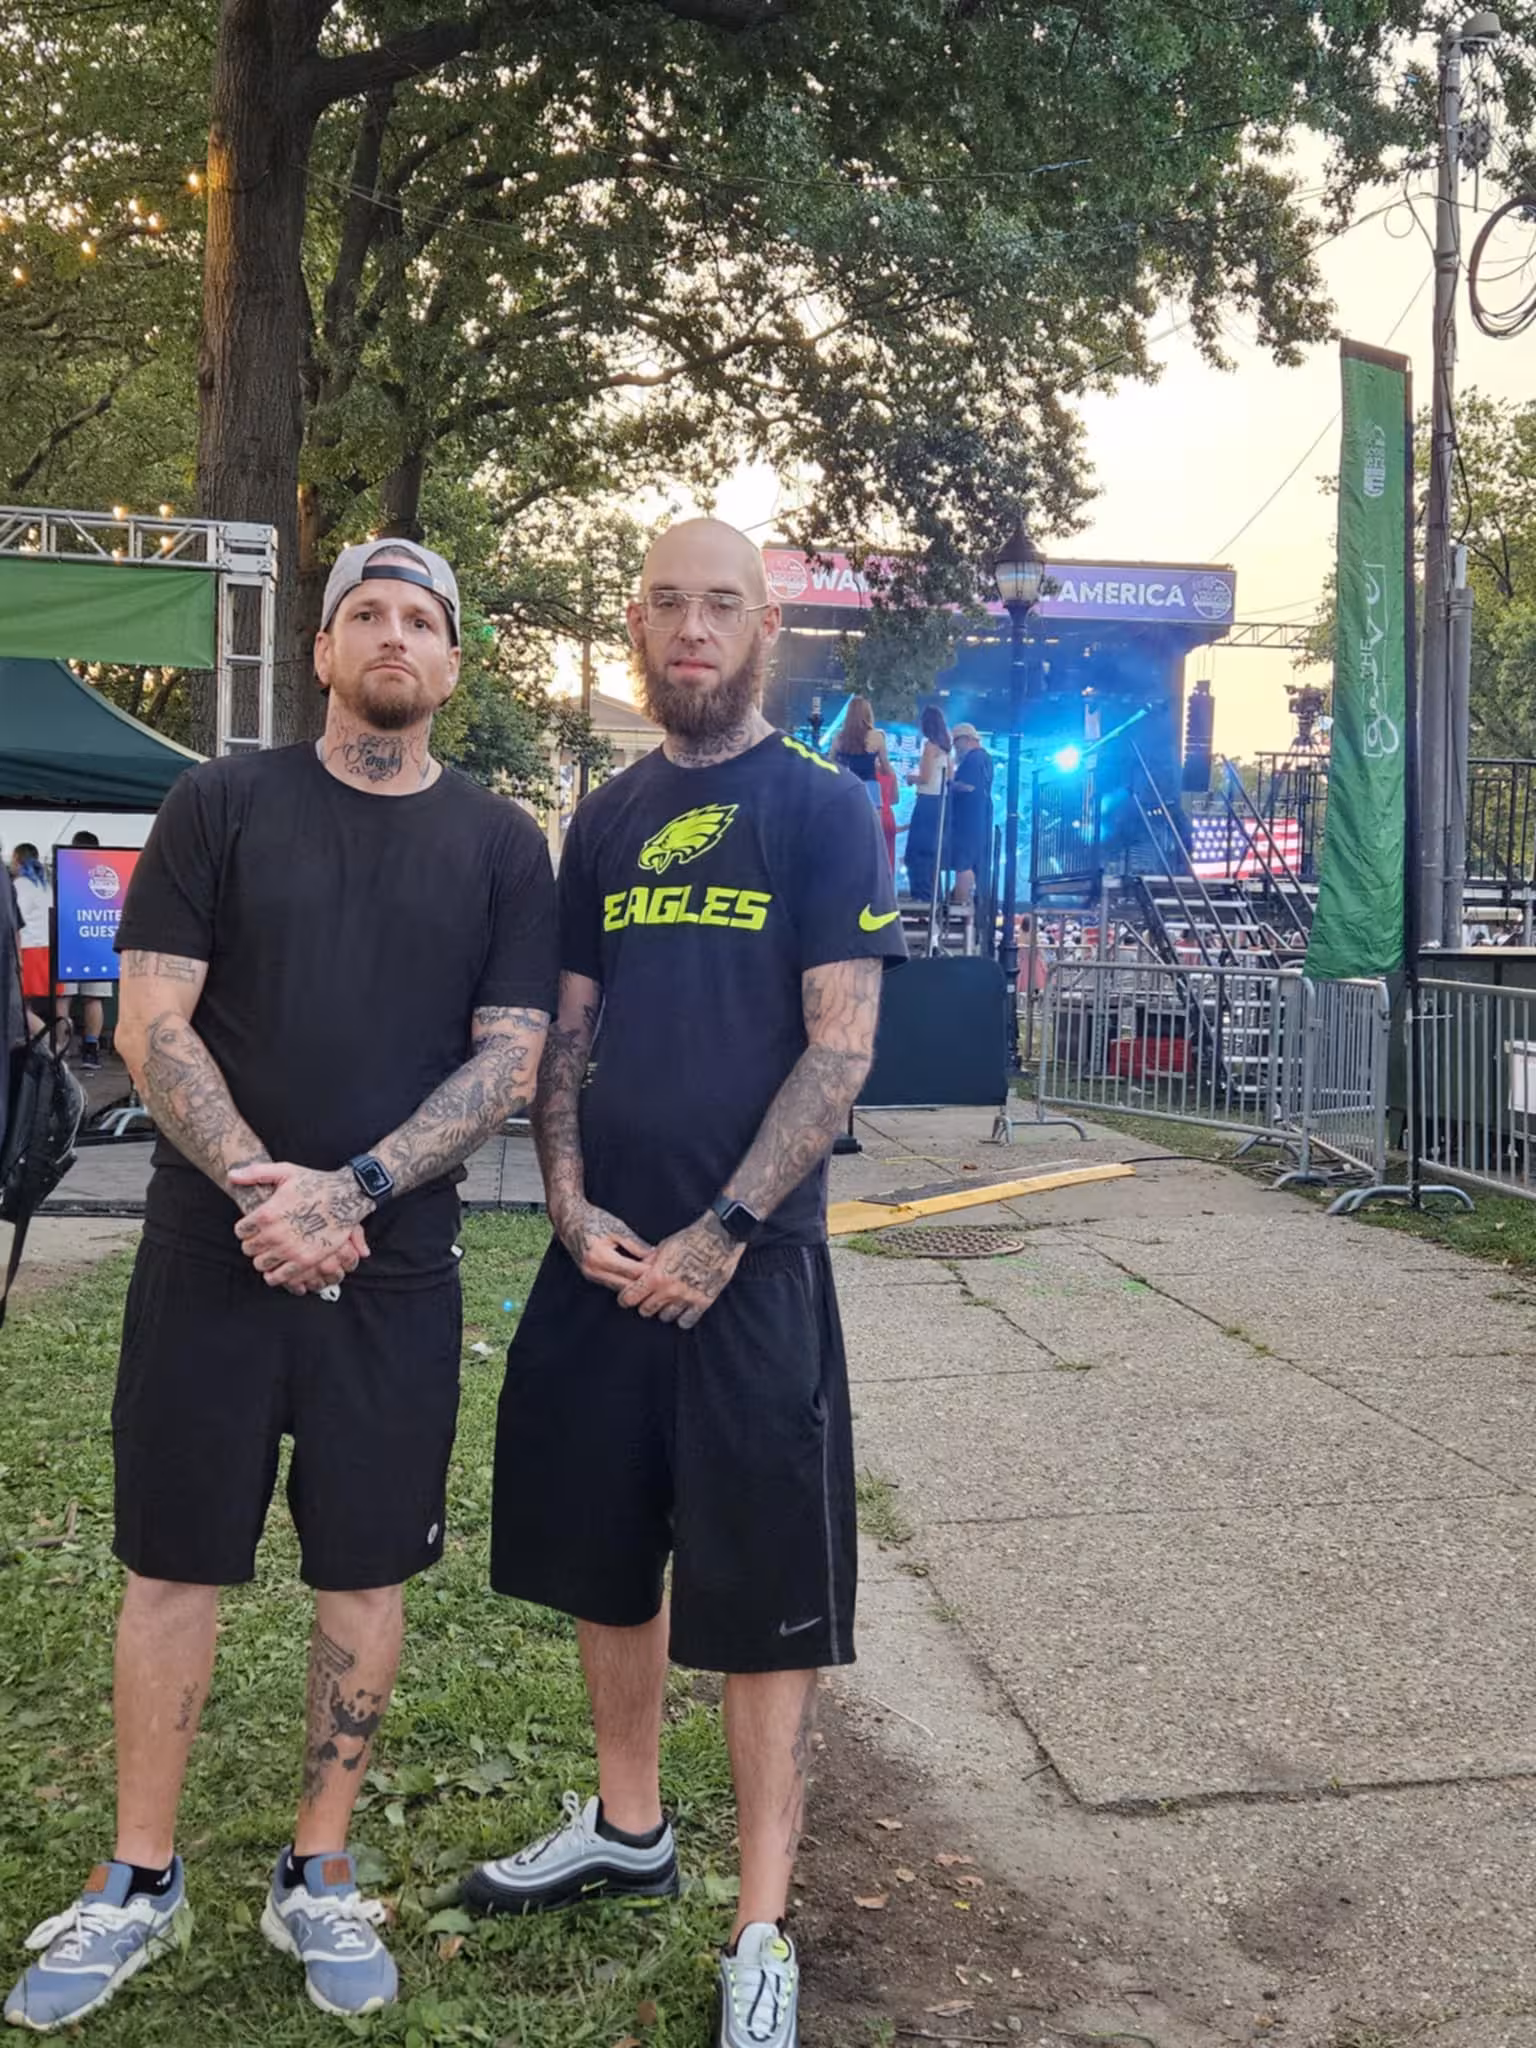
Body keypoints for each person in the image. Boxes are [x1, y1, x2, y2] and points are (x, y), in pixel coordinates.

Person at [5, 539, 557, 2033]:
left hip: (397, 1265)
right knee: (172, 1562)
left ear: (453, 663)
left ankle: (319, 1866)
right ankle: (139, 1873)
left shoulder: (501, 843)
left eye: (422, 620)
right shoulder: (221, 802)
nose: (393, 635)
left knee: (365, 1569)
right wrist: (269, 1188)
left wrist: (353, 1190)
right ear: (320, 650)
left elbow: (509, 1055)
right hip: (215, 1250)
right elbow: (150, 1020)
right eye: (365, 613)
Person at [465, 518, 905, 2048]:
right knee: (607, 1558)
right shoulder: (607, 817)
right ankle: (630, 1827)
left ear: (765, 628)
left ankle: (760, 1925)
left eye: (721, 605)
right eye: (667, 605)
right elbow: (567, 1039)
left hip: (751, 1273)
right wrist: (569, 1205)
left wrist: (722, 1230)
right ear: (639, 628)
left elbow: (839, 1049)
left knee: (766, 1595)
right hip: (604, 1262)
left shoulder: (825, 810)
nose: (693, 628)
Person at [54, 831, 109, 1069]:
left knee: (63, 997)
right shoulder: (107, 870)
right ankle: (90, 1051)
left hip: (67, 940)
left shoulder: (65, 867)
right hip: (97, 942)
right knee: (93, 998)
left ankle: (60, 1050)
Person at [903, 704, 952, 904]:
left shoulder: (930, 747)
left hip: (927, 802)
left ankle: (922, 895)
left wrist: (910, 778)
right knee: (932, 852)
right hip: (941, 803)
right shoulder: (947, 750)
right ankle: (934, 894)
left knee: (916, 851)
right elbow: (950, 778)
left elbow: (924, 777)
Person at [948, 723, 996, 909]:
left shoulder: (974, 759)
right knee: (974, 864)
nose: (955, 747)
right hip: (979, 819)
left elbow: (968, 787)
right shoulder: (985, 759)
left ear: (967, 739)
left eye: (956, 742)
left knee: (964, 863)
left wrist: (948, 784)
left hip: (968, 820)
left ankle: (960, 908)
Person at [8, 843, 51, 1039]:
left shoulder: (20, 885)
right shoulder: (45, 885)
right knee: (27, 1005)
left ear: (18, 860)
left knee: (20, 1007)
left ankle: (50, 1044)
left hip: (27, 950)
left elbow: (16, 920)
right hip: (44, 949)